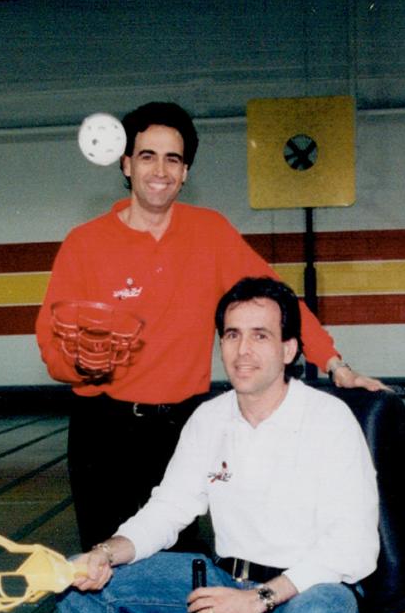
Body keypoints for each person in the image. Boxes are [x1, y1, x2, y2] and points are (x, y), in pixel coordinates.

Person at [35, 101, 384, 548]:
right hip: (105, 433)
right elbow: (50, 343)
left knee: (178, 569)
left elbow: (280, 302)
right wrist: (80, 367)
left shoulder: (210, 233)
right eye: (147, 156)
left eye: (173, 159)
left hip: (184, 430)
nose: (160, 170)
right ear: (126, 164)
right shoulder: (85, 243)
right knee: (108, 570)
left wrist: (336, 364)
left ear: (184, 172)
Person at [57, 278, 379, 613]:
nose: (242, 351)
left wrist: (260, 599)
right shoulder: (210, 419)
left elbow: (353, 548)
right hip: (227, 581)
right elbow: (167, 510)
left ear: (290, 349)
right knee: (79, 588)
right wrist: (104, 553)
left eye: (260, 335)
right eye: (231, 335)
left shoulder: (329, 421)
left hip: (306, 592)